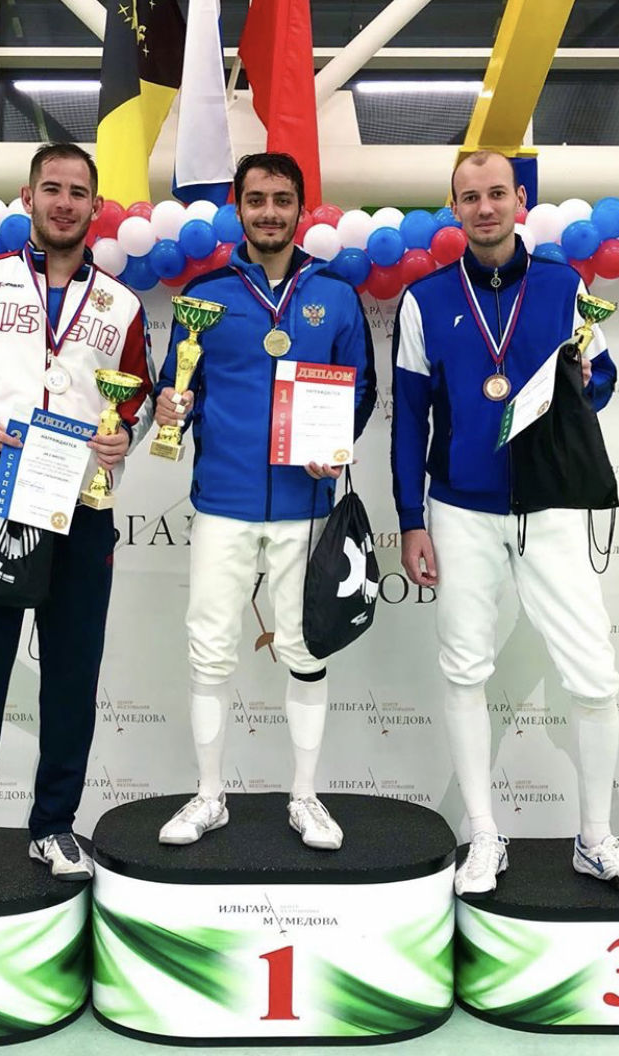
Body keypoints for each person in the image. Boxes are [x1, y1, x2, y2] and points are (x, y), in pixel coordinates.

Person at [390, 149, 619, 899]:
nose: (484, 208)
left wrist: (588, 379)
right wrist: (410, 518)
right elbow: (409, 420)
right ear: (453, 208)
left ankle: (595, 839)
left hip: (550, 505)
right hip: (460, 508)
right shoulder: (424, 299)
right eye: (469, 197)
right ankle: (483, 834)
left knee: (594, 674)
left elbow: (601, 382)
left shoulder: (563, 287)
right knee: (463, 669)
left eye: (496, 194)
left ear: (519, 200)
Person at [0, 143, 154, 895]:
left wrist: (125, 433)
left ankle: (53, 826)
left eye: (78, 192)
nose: (64, 202)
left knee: (72, 677)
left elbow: (139, 395)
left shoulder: (121, 304)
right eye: (53, 188)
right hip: (0, 498)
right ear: (28, 197)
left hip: (82, 507)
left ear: (96, 207)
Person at [154, 153, 376, 851]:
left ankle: (303, 797)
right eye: (256, 200)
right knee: (209, 652)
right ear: (238, 207)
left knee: (304, 649)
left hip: (307, 505)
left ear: (301, 207)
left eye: (282, 200)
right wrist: (169, 405)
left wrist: (335, 444)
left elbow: (361, 389)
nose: (269, 212)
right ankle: (209, 795)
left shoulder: (334, 294)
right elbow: (177, 385)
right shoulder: (206, 293)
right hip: (223, 501)